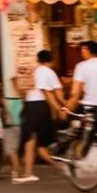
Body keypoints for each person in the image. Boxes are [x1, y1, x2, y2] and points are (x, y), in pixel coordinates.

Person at [17, 50, 65, 184]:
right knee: (38, 143)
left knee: (31, 140)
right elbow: (56, 94)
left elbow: (40, 91)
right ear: (52, 60)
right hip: (41, 107)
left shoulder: (35, 71)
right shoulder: (50, 73)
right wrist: (62, 106)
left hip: (31, 106)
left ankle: (28, 172)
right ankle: (58, 166)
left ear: (38, 60)